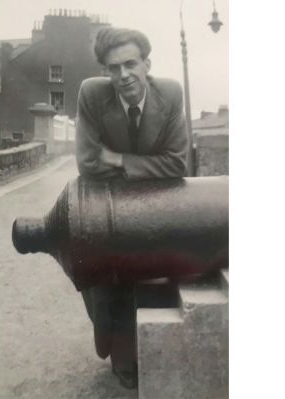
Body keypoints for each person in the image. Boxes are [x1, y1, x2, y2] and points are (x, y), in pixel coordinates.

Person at [74, 27, 188, 387]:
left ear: (146, 64)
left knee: (163, 272)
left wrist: (119, 159)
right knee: (103, 281)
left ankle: (157, 346)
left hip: (155, 203)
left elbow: (177, 165)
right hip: (102, 204)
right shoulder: (91, 94)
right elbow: (88, 163)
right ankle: (118, 352)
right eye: (113, 68)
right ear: (105, 72)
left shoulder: (169, 93)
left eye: (130, 64)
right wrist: (145, 167)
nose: (123, 75)